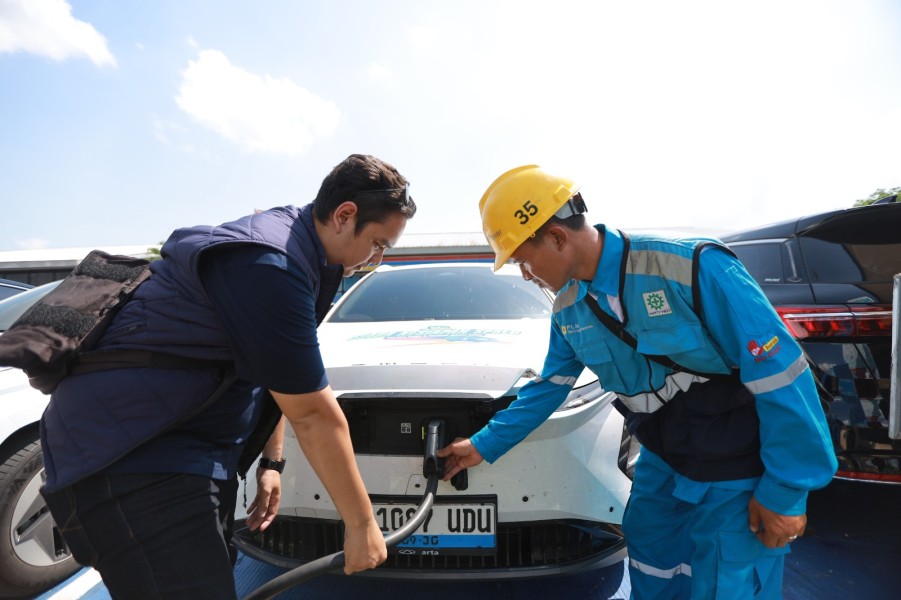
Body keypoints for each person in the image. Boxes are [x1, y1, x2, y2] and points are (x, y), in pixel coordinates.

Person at [438, 165, 837, 599]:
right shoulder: (569, 308)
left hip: (734, 460)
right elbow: (550, 387)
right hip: (664, 458)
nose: (525, 274)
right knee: (650, 557)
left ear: (555, 237)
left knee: (728, 577)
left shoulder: (691, 267)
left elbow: (781, 375)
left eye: (522, 260)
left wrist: (785, 492)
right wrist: (483, 444)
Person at [39, 154, 416, 599]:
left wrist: (271, 464)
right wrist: (361, 524)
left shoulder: (305, 255)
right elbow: (313, 413)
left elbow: (274, 374)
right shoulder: (270, 264)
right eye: (377, 244)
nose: (376, 258)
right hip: (128, 458)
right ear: (344, 215)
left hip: (178, 453)